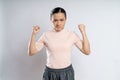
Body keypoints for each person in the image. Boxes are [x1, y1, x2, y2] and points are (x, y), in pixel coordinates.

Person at [28, 7, 91, 80]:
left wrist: (83, 32)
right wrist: (33, 34)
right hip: (50, 73)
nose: (58, 23)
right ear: (51, 21)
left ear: (65, 20)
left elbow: (87, 51)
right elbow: (31, 52)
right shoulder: (46, 35)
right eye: (55, 20)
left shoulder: (71, 35)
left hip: (67, 73)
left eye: (61, 20)